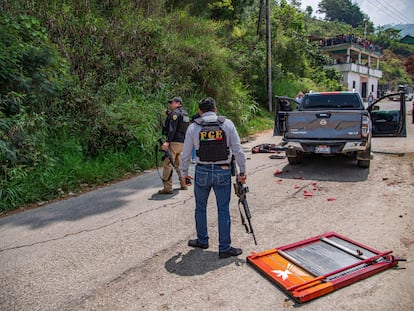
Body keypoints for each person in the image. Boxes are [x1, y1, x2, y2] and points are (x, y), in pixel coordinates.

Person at [179, 97, 247, 259]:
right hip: (222, 171)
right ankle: (224, 248)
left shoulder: (193, 127)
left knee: (200, 207)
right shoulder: (227, 124)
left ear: (200, 112)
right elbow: (238, 150)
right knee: (223, 209)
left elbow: (186, 154)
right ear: (215, 109)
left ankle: (202, 240)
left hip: (201, 171)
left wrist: (183, 174)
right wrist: (242, 172)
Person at [159, 96, 190, 194]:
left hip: (173, 142)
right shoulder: (185, 114)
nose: (170, 104)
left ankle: (167, 188)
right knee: (178, 164)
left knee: (167, 163)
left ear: (178, 103)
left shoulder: (175, 114)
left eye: (172, 103)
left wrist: (167, 142)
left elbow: (172, 129)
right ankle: (184, 184)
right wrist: (169, 114)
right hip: (182, 142)